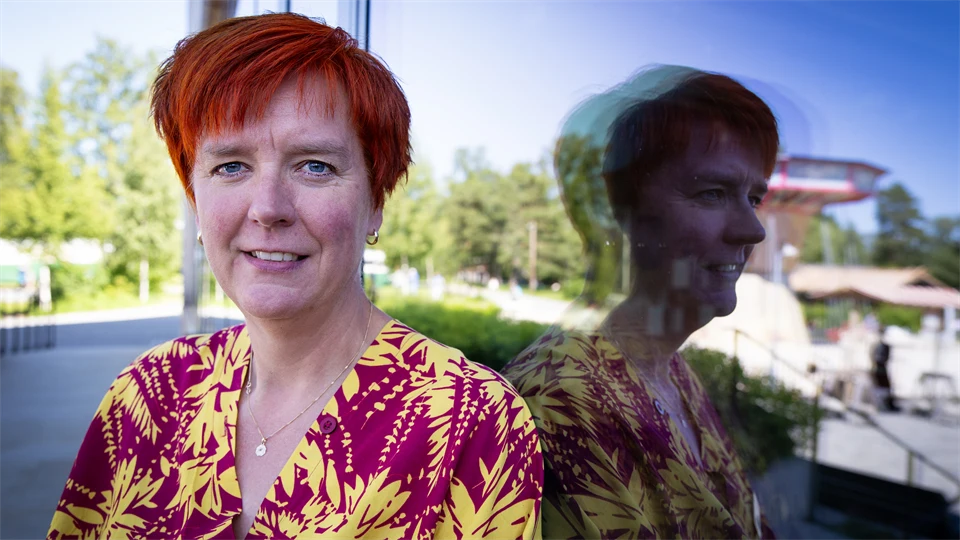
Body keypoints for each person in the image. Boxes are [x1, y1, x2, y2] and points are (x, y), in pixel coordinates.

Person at [48, 14, 542, 539]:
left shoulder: (470, 423)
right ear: (194, 198)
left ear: (376, 201)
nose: (268, 208)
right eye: (231, 166)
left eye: (314, 166)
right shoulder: (148, 395)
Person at [502, 66, 778, 539]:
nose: (753, 230)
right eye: (712, 193)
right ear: (618, 214)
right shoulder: (560, 400)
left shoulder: (673, 374)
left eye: (753, 197)